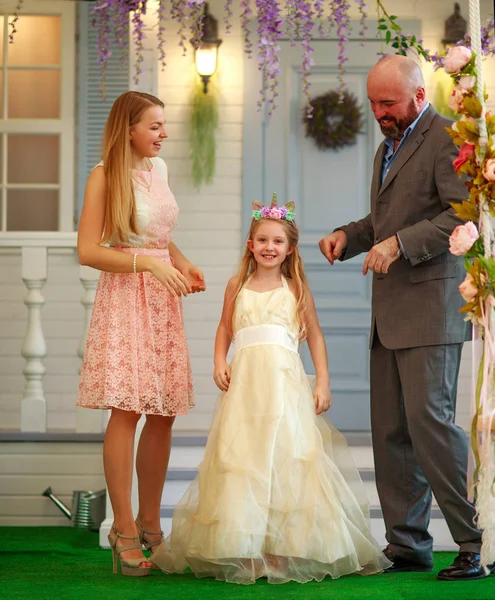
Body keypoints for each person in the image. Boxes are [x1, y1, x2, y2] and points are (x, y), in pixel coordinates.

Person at [151, 195, 391, 584]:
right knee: (244, 458)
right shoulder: (237, 285)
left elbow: (313, 335)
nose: (269, 247)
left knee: (286, 457)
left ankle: (282, 550)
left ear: (290, 248)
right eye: (262, 240)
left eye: (277, 241)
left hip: (284, 387)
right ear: (250, 245)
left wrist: (323, 381)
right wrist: (218, 361)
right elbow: (224, 328)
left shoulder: (295, 288)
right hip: (245, 388)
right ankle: (244, 548)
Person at [319, 55, 492, 581]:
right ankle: (409, 543)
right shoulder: (386, 147)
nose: (379, 112)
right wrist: (351, 237)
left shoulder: (446, 139)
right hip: (388, 313)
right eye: (373, 103)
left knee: (431, 428)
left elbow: (464, 215)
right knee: (391, 433)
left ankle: (473, 541)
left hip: (431, 309)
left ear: (418, 95)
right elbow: (386, 220)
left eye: (388, 103)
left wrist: (398, 243)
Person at [77, 91, 205, 577]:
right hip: (127, 296)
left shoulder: (159, 171)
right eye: (155, 126)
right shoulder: (104, 176)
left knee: (165, 411)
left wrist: (182, 261)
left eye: (164, 125)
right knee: (127, 408)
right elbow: (89, 250)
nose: (164, 134)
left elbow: (156, 230)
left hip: (162, 297)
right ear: (128, 128)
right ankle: (124, 527)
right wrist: (147, 264)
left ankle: (153, 522)